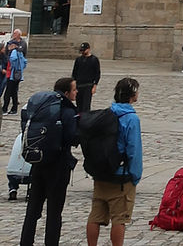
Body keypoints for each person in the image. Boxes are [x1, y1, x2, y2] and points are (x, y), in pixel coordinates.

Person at [19, 75, 78, 246]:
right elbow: (72, 138)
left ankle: (26, 242)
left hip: (39, 163)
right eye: (74, 89)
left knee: (33, 210)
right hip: (58, 165)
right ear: (67, 92)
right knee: (54, 212)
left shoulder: (43, 107)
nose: (76, 92)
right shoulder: (67, 111)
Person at [85, 76, 142, 246]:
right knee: (119, 219)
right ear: (132, 95)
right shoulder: (131, 118)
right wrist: (135, 175)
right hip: (121, 176)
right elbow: (134, 149)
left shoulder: (108, 113)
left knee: (95, 216)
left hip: (101, 172)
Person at [72, 44, 101, 114]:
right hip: (79, 85)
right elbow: (74, 72)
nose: (82, 52)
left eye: (84, 50)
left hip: (88, 85)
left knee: (86, 105)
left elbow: (97, 73)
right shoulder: (78, 60)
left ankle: (85, 119)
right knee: (79, 104)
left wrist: (94, 86)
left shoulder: (94, 60)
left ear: (88, 49)